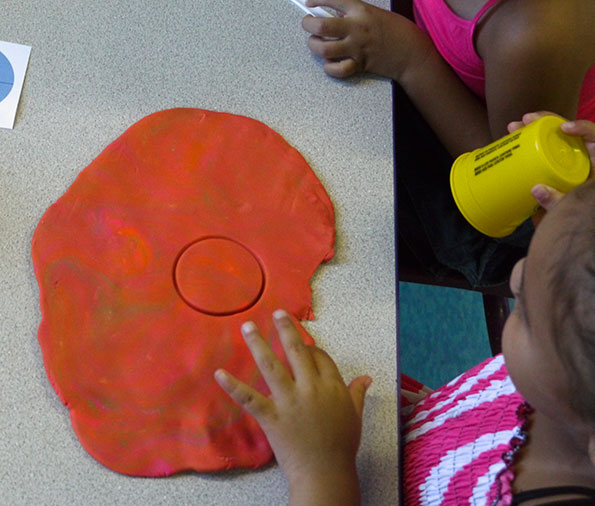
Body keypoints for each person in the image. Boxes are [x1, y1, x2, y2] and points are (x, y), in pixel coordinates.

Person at [214, 119, 595, 504]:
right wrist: (571, 231)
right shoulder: (571, 379)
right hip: (417, 429)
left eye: (525, 314)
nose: (514, 277)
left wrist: (321, 468)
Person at [298, 0, 595, 288]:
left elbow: (501, 176)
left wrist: (411, 60)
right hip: (436, 72)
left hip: (513, 197)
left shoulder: (534, 33)